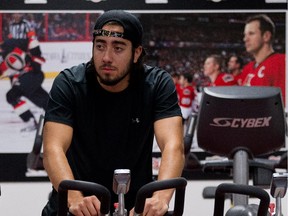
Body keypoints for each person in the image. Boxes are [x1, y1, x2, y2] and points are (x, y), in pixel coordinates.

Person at [42, 10, 184, 216]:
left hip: (136, 206)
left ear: (136, 53)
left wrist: (160, 198)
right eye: (100, 46)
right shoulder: (69, 83)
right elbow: (53, 149)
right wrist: (75, 199)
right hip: (76, 200)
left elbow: (173, 146)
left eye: (118, 48)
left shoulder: (157, 84)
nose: (106, 57)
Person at [0, 37, 48, 132]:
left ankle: (30, 120)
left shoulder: (9, 44)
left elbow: (32, 41)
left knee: (11, 96)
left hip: (30, 75)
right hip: (26, 80)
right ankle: (64, 115)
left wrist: (35, 61)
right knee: (45, 102)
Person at [241, 14, 286, 105]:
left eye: (251, 33)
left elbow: (283, 106)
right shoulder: (247, 68)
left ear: (266, 36)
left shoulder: (281, 62)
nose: (245, 39)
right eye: (245, 35)